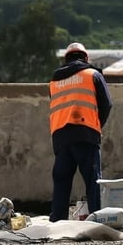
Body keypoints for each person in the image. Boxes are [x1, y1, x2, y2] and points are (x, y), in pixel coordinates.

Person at [48, 42, 113, 222]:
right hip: (85, 133)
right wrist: (97, 125)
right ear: (85, 58)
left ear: (66, 59)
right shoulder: (92, 75)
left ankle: (57, 220)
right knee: (93, 181)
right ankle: (96, 220)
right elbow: (107, 104)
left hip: (61, 136)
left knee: (61, 181)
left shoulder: (55, 80)